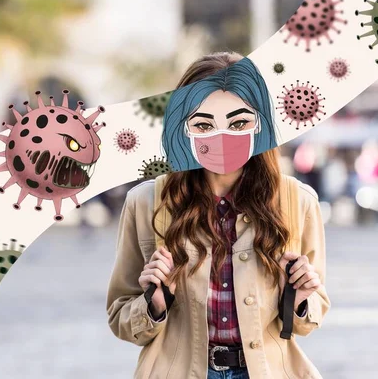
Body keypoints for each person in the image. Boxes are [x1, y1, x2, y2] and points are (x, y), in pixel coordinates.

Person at [106, 52, 330, 379]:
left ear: (261, 123)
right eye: (203, 124)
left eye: (239, 122)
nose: (222, 136)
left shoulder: (297, 201)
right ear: (182, 126)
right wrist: (154, 304)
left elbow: (307, 320)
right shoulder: (146, 202)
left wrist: (299, 298)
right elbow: (120, 317)